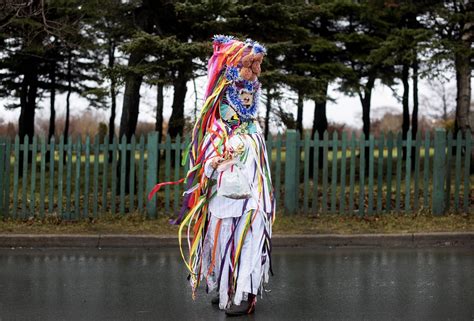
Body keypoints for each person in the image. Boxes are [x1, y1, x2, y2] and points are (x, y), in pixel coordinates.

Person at [149, 35, 275, 316]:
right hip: (221, 201)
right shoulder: (214, 130)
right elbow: (202, 167)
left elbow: (257, 167)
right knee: (220, 236)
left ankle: (245, 292)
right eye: (237, 94)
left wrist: (240, 150)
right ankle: (224, 285)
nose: (243, 99)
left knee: (248, 237)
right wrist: (212, 163)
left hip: (249, 202)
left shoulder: (253, 134)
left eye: (248, 94)